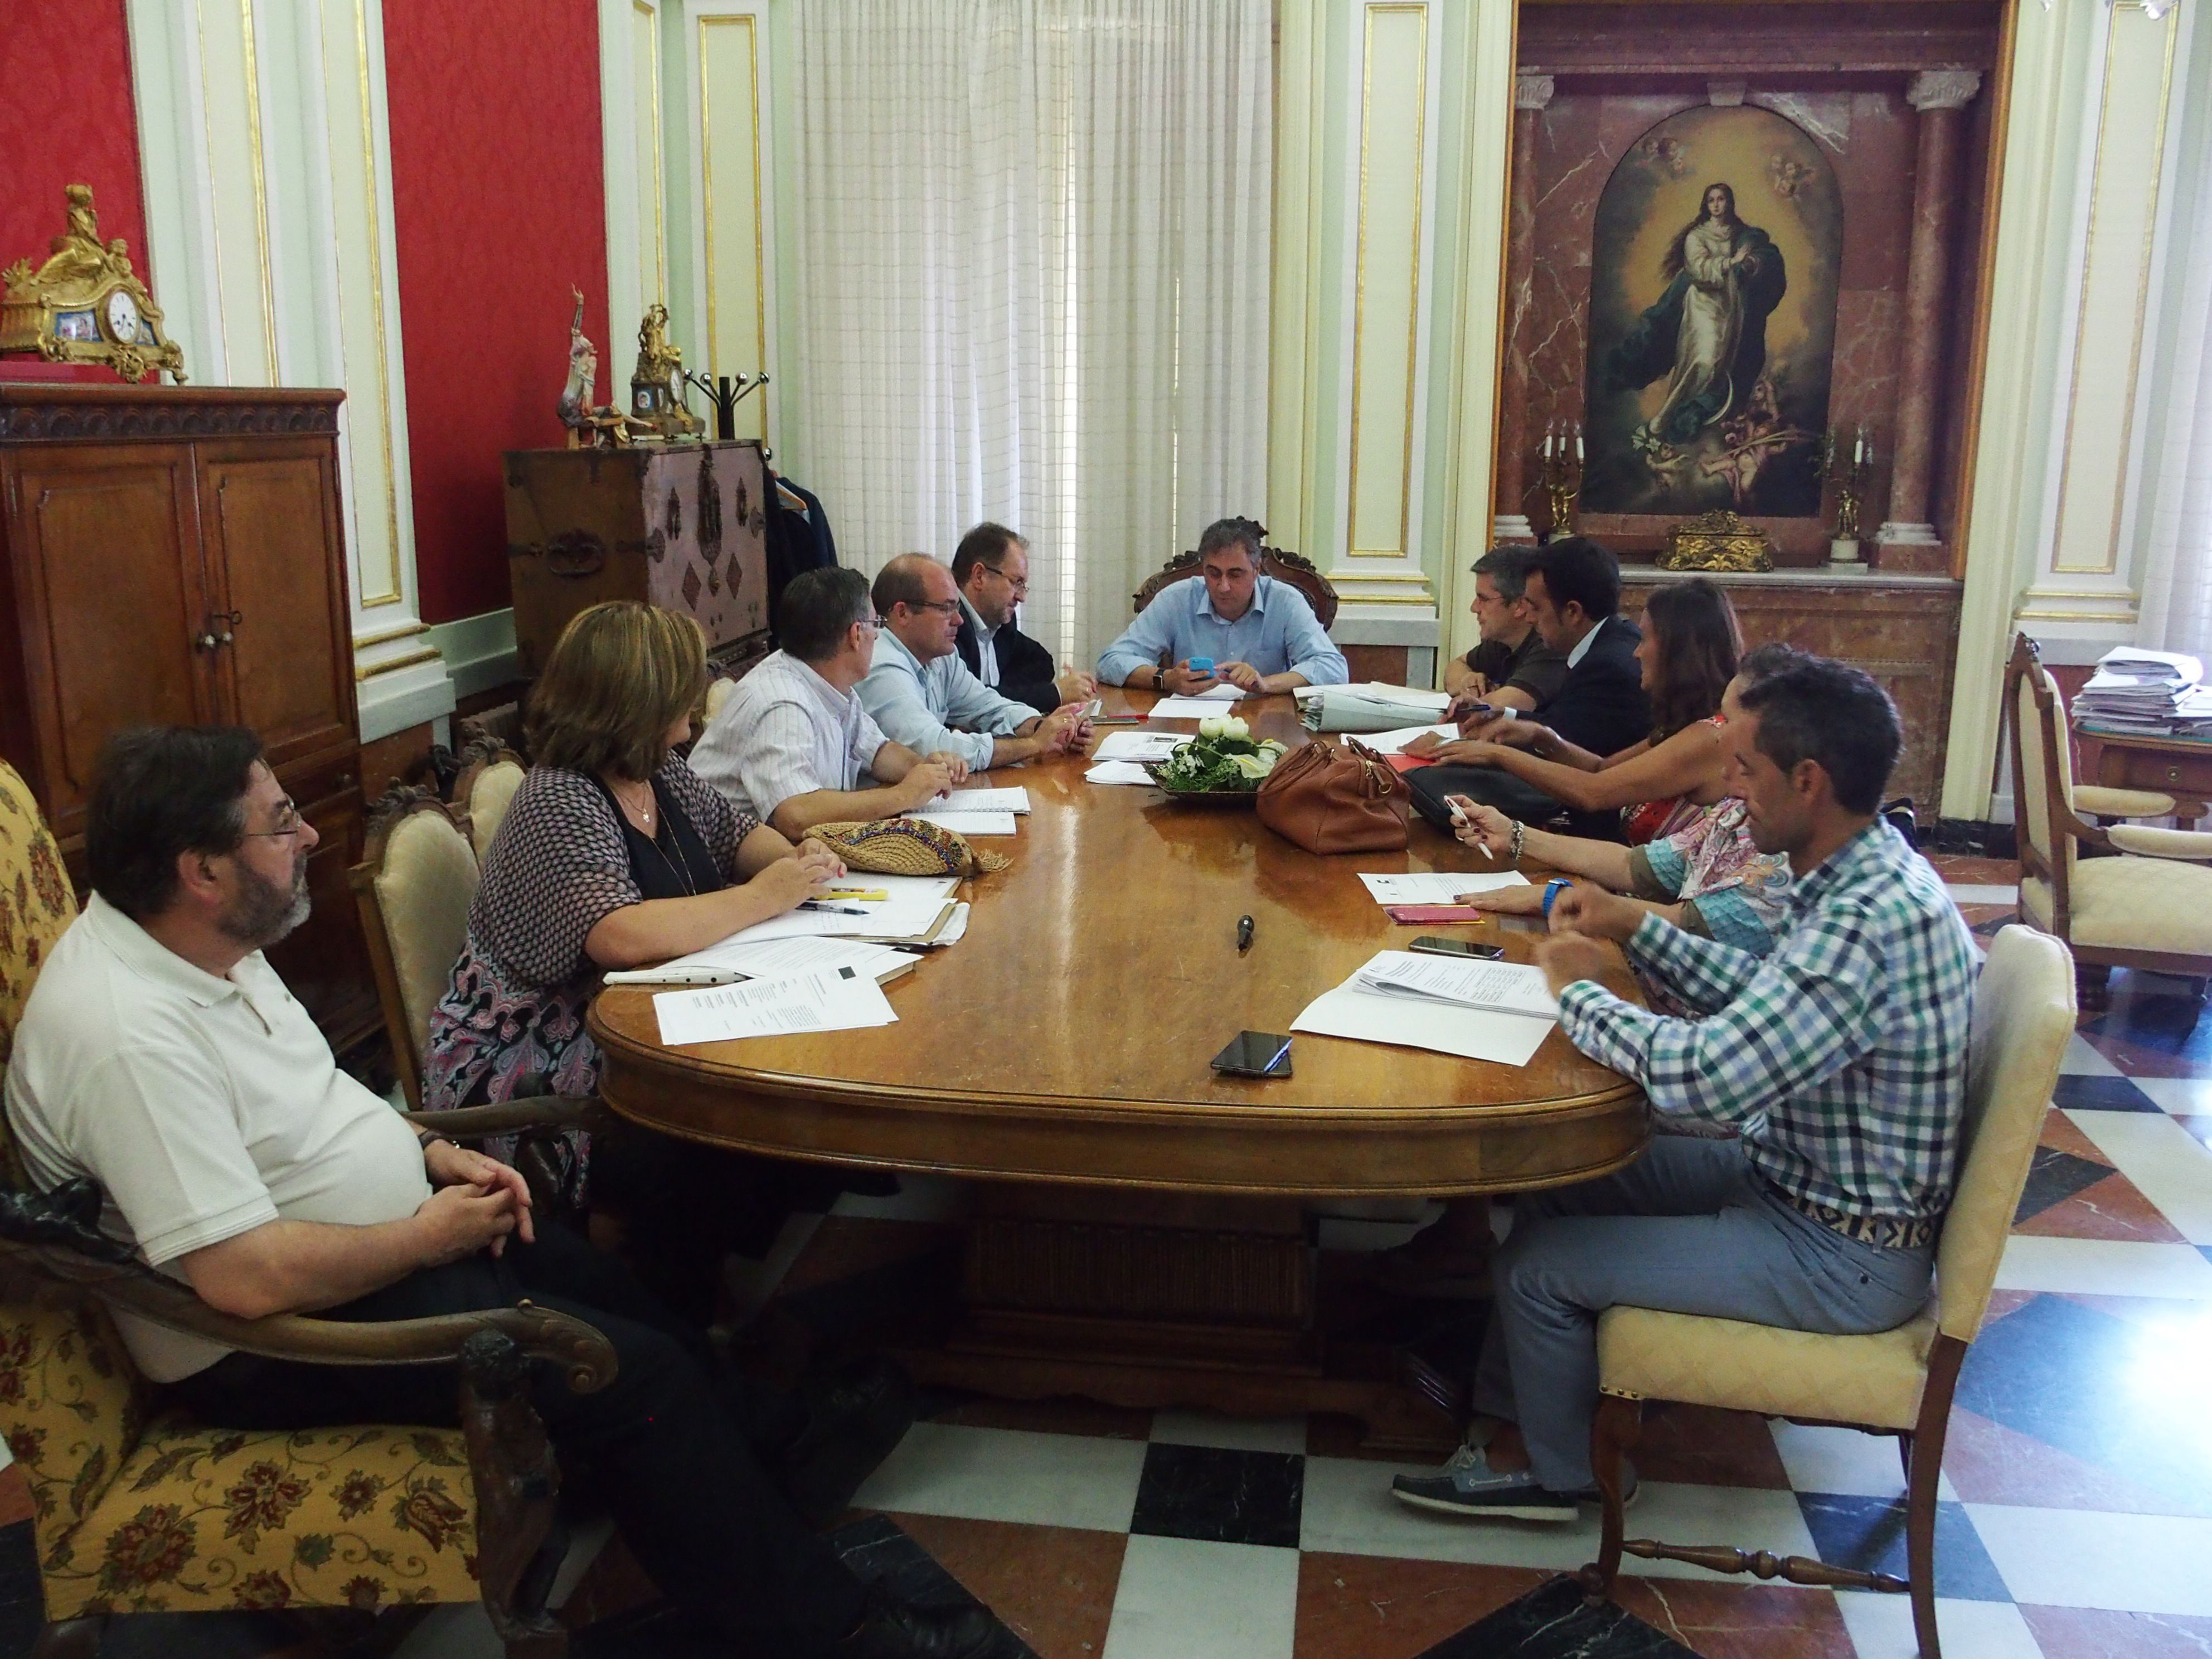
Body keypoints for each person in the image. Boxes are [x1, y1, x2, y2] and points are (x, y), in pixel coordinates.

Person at [3, 725, 999, 1657]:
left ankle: (768, 1454)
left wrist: (430, 1156)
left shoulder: (205, 939)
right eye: (279, 822)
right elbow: (239, 1278)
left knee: (611, 1293)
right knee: (624, 1370)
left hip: (378, 1243)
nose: (308, 834)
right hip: (277, 1342)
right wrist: (428, 1236)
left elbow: (300, 1112)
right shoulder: (125, 1034)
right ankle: (829, 1631)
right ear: (202, 871)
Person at [1390, 657, 1973, 1524]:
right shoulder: (1861, 873)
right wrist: (1633, 929)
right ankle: (1523, 1424)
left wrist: (1577, 991)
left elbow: (1706, 1081)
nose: (1731, 793)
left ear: (1808, 782)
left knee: (1537, 1269)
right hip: (1797, 1185)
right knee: (1560, 1180)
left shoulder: (1861, 922)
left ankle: (1559, 1476)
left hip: (1840, 1253)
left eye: (1747, 771)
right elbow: (1767, 1001)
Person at [421, 600, 851, 1313]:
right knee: (714, 1116)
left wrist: (797, 859)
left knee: (777, 1075)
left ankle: (738, 1262)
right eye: (680, 694)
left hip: (629, 1011)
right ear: (636, 703)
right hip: (526, 1049)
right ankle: (678, 1302)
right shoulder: (560, 797)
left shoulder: (656, 771)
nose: (694, 709)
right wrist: (765, 898)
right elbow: (618, 934)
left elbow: (737, 834)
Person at [1409, 576, 1738, 842]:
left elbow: (1593, 793)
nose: (1636, 653)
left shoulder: (1710, 738)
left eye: (1645, 640)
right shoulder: (1683, 725)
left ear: (1677, 652)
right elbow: (1600, 768)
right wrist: (1542, 737)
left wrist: (1498, 754)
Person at [693, 567, 967, 839]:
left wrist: (924, 769)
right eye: (877, 625)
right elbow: (795, 815)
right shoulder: (782, 703)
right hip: (724, 872)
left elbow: (878, 752)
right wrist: (903, 795)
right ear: (856, 634)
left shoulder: (830, 682)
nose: (878, 636)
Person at [858, 554, 1089, 770]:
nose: (959, 620)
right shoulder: (882, 666)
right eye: (946, 609)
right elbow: (933, 749)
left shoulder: (941, 659)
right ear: (902, 613)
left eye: (957, 608)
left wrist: (1047, 728)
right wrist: (1033, 745)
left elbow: (990, 706)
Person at [1095, 517, 1348, 693]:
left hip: (1266, 720)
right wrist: (1166, 679)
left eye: (1235, 574)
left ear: (1257, 570)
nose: (1223, 586)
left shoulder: (1285, 601)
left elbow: (1333, 669)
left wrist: (1267, 683)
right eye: (1213, 573)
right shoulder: (1176, 599)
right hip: (1186, 727)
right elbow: (1111, 662)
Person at [951, 521, 1097, 714]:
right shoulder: (948, 624)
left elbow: (1042, 663)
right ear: (980, 576)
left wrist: (1005, 693)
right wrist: (1055, 694)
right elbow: (968, 702)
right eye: (1016, 582)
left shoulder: (1000, 621)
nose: (1022, 597)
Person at [1442, 546, 1569, 709]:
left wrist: (1482, 699)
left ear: (1519, 605)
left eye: (1484, 599)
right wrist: (1467, 681)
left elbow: (1500, 707)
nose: (1474, 608)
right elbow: (1455, 667)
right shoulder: (1504, 641)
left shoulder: (1551, 643)